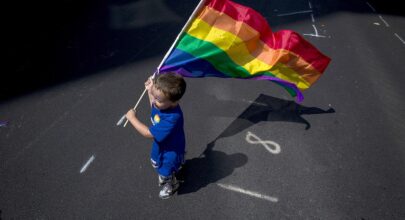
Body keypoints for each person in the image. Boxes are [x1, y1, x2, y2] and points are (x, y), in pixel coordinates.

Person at [126, 72, 186, 199]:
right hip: (165, 144)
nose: (154, 100)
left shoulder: (172, 118)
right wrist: (150, 90)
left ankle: (171, 183)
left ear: (174, 101)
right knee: (160, 163)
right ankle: (177, 164)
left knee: (164, 171)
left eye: (157, 99)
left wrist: (132, 119)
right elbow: (154, 107)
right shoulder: (163, 105)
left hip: (169, 151)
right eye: (154, 95)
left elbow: (148, 133)